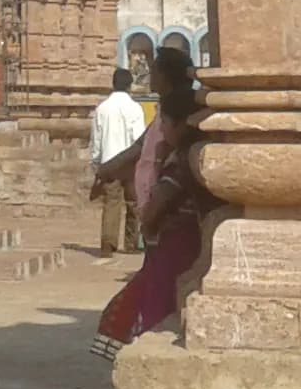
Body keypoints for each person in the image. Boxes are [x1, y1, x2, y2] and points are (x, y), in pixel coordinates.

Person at [92, 45, 215, 359]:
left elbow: (144, 158)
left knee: (155, 293)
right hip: (163, 221)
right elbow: (138, 148)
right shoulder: (168, 112)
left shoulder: (180, 124)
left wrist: (148, 213)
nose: (151, 76)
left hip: (171, 223)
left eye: (156, 71)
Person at [88, 65, 147, 257]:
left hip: (109, 162)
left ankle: (108, 243)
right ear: (130, 85)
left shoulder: (102, 108)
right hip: (129, 162)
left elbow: (96, 138)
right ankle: (131, 243)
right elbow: (139, 139)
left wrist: (96, 161)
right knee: (132, 202)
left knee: (111, 203)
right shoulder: (134, 108)